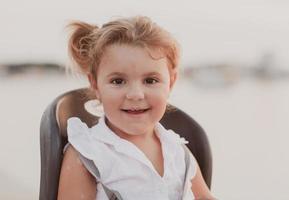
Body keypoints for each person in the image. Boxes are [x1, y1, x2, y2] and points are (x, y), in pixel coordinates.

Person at [58, 16, 215, 200]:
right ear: (95, 85)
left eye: (150, 80)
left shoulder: (177, 151)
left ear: (171, 83)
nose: (135, 94)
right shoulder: (87, 155)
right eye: (118, 81)